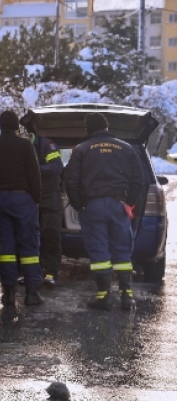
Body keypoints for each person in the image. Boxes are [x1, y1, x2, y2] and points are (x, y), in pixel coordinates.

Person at [63, 113, 144, 311]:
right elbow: (138, 179)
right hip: (119, 205)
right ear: (107, 127)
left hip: (93, 206)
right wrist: (129, 202)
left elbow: (70, 180)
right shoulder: (127, 148)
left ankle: (104, 296)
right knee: (122, 249)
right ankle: (127, 296)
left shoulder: (81, 149)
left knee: (99, 249)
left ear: (88, 129)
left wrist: (79, 204)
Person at [0, 110, 42, 306]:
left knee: (6, 248)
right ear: (17, 126)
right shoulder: (25, 145)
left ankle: (8, 292)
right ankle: (32, 293)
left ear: (0, 125)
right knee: (28, 245)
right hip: (23, 199)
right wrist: (36, 199)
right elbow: (34, 174)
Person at [25, 127, 64, 287]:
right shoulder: (24, 146)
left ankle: (51, 273)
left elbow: (57, 167)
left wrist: (35, 170)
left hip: (49, 198)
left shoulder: (46, 144)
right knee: (31, 236)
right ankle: (33, 273)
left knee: (50, 234)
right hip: (31, 198)